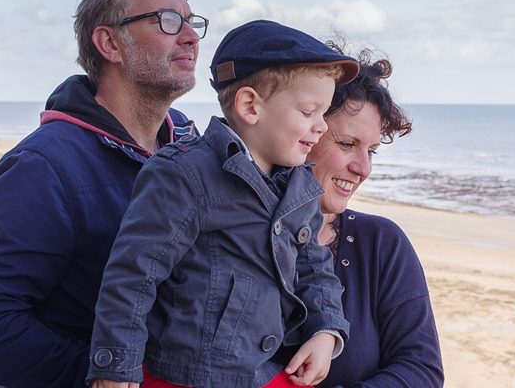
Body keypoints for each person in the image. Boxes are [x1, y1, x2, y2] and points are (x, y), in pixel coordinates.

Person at [0, 0, 206, 388]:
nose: (190, 37)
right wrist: (107, 374)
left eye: (191, 21)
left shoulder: (190, 144)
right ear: (109, 43)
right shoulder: (45, 166)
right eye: (167, 20)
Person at [88, 20, 356, 388]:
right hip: (185, 377)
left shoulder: (300, 186)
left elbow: (313, 268)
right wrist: (115, 369)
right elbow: (133, 275)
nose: (322, 126)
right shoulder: (183, 174)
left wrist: (326, 331)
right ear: (250, 106)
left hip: (261, 371)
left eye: (324, 114)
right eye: (309, 112)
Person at [306, 45, 444, 388]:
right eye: (347, 144)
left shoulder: (381, 242)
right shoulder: (237, 233)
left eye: (371, 152)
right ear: (302, 131)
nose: (363, 168)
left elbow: (422, 370)